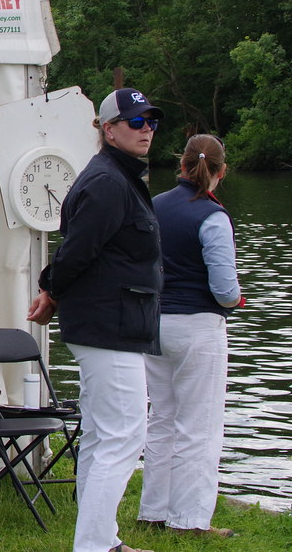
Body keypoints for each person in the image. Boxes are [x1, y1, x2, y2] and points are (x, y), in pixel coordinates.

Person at [27, 87, 164, 552]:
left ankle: (103, 540)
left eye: (150, 122)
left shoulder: (117, 177)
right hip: (110, 327)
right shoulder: (108, 181)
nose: (146, 129)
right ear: (108, 129)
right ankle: (93, 546)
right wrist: (51, 290)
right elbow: (76, 251)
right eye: (136, 122)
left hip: (114, 324)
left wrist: (52, 289)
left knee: (107, 435)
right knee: (125, 435)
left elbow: (83, 252)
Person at [138, 134, 242, 538]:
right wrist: (236, 300)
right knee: (199, 425)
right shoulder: (213, 216)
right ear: (220, 172)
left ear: (181, 166)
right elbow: (224, 290)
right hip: (198, 326)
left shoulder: (154, 205)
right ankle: (190, 520)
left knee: (162, 418)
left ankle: (153, 512)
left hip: (156, 323)